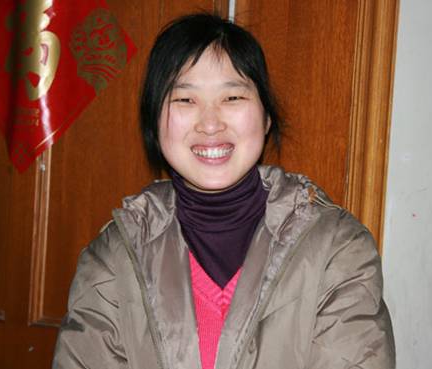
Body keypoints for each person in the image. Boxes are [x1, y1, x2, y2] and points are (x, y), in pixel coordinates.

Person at [52, 13, 395, 369]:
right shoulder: (114, 256)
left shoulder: (335, 249)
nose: (211, 123)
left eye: (232, 97)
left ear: (265, 118)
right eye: (185, 100)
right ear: (154, 121)